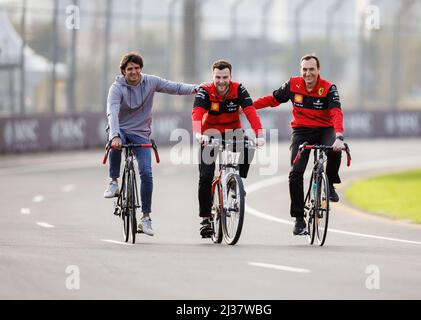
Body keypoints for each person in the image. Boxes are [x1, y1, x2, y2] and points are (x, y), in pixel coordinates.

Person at [104, 52, 198, 236]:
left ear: (141, 69)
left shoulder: (151, 82)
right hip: (121, 129)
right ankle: (113, 181)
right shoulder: (116, 88)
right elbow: (112, 113)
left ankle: (146, 218)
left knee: (146, 172)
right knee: (114, 143)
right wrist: (115, 135)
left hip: (141, 133)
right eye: (130, 69)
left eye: (137, 68)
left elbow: (175, 87)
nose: (134, 72)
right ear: (123, 71)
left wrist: (197, 88)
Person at [253, 54, 345, 236]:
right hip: (301, 131)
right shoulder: (293, 84)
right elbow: (273, 99)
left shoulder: (328, 88)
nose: (308, 73)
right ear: (300, 70)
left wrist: (339, 136)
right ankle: (299, 219)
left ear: (318, 70)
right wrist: (248, 107)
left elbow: (336, 112)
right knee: (295, 173)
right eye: (304, 69)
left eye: (312, 69)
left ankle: (331, 183)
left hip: (325, 129)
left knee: (335, 150)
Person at [192, 59, 265, 238]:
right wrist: (198, 134)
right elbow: (197, 113)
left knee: (249, 146)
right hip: (209, 134)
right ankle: (205, 218)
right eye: (218, 77)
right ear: (212, 77)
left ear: (230, 77)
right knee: (206, 176)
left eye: (225, 77)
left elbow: (250, 111)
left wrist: (260, 134)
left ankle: (236, 183)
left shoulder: (239, 89)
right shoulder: (205, 91)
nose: (221, 81)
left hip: (233, 132)